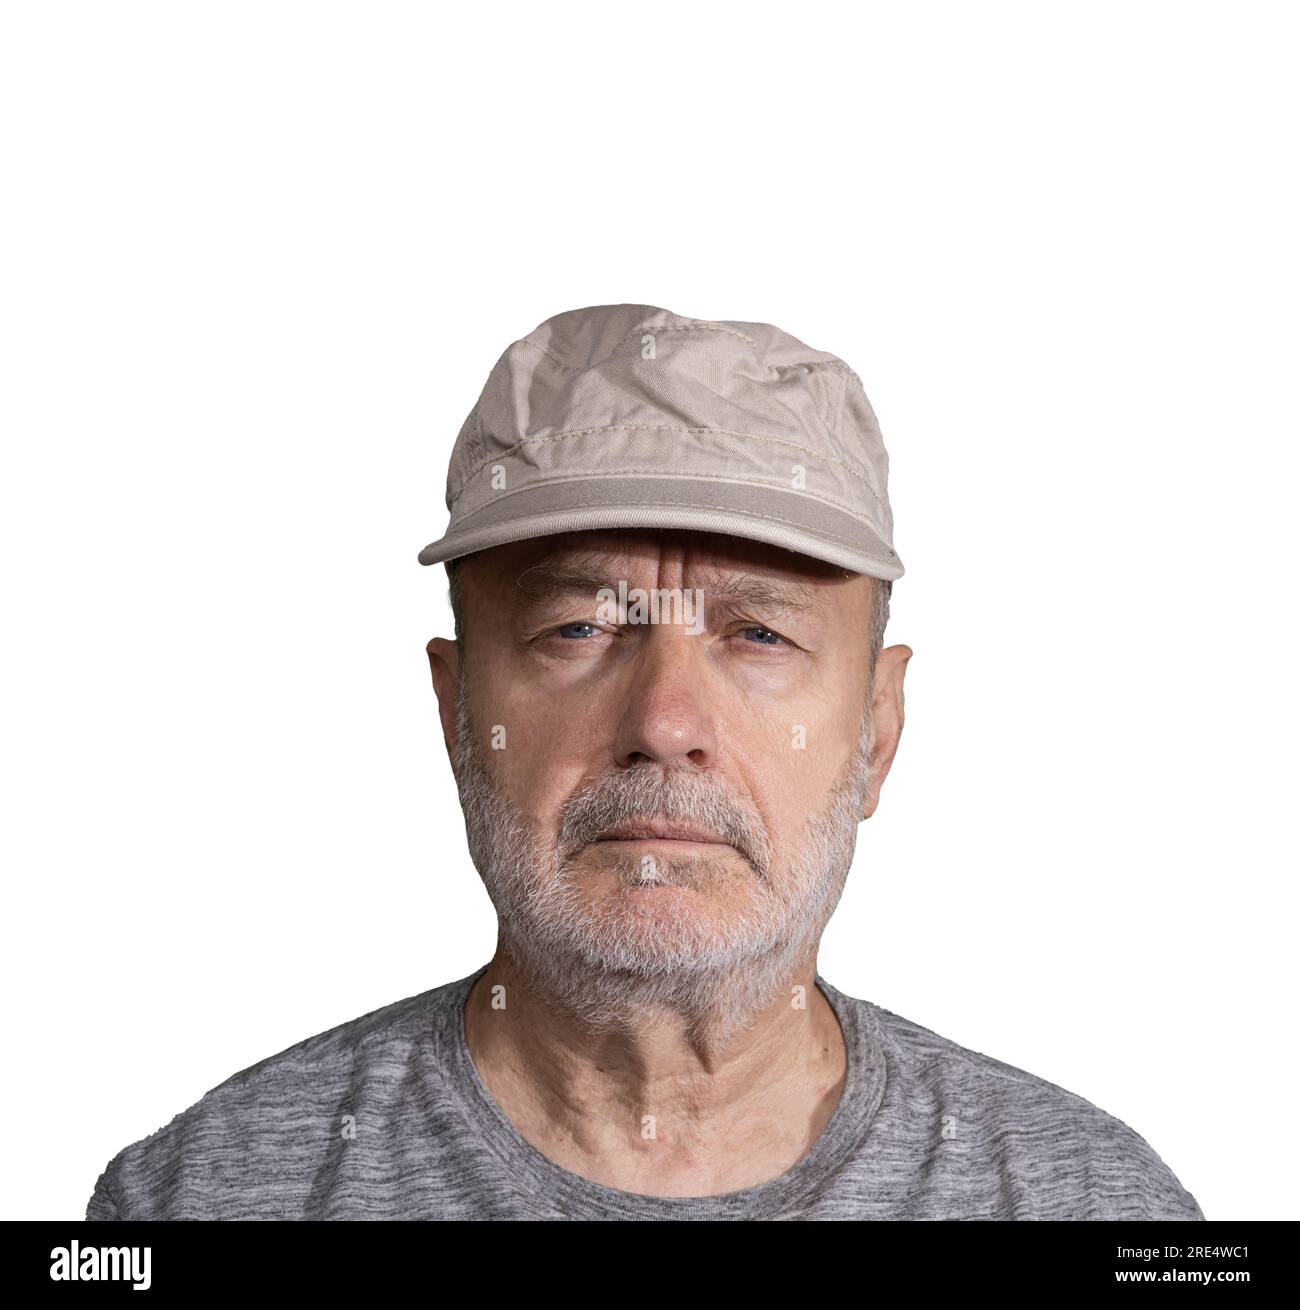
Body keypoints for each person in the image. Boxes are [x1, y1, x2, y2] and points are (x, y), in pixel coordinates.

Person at [86, 303, 1204, 1220]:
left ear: (876, 731)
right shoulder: (199, 1201)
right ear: (455, 706)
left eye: (758, 634)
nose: (665, 719)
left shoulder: (1102, 1211)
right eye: (579, 627)